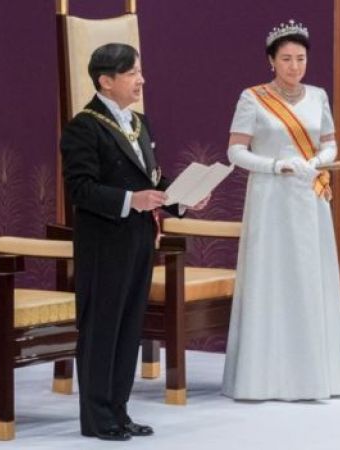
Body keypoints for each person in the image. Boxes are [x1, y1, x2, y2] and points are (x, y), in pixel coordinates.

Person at [61, 43, 207, 440]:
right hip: (104, 244)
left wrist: (182, 198)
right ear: (105, 81)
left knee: (128, 327)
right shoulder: (83, 127)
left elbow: (152, 181)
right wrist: (130, 201)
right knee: (101, 329)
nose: (141, 79)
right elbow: (81, 189)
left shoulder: (139, 123)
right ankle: (96, 417)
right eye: (131, 74)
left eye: (139, 71)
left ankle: (119, 411)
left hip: (139, 240)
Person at [222, 20, 340, 400]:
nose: (295, 66)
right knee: (273, 273)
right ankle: (264, 376)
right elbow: (235, 151)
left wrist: (318, 159)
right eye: (286, 59)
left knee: (310, 274)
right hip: (271, 196)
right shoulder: (253, 98)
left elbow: (329, 143)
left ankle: (316, 376)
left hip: (310, 195)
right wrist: (274, 164)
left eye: (300, 58)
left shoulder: (318, 96)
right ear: (271, 61)